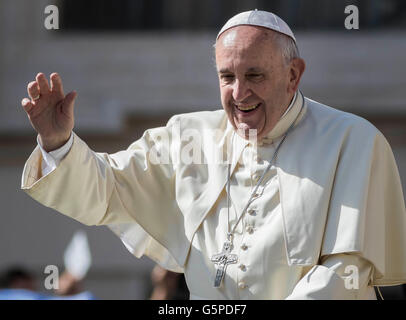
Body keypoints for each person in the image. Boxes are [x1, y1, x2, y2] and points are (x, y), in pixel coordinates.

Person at [20, 10, 406, 299]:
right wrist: (59, 142)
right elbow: (106, 190)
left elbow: (344, 274)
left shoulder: (352, 141)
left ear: (293, 75)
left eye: (255, 75)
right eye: (227, 77)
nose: (239, 94)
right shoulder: (186, 137)